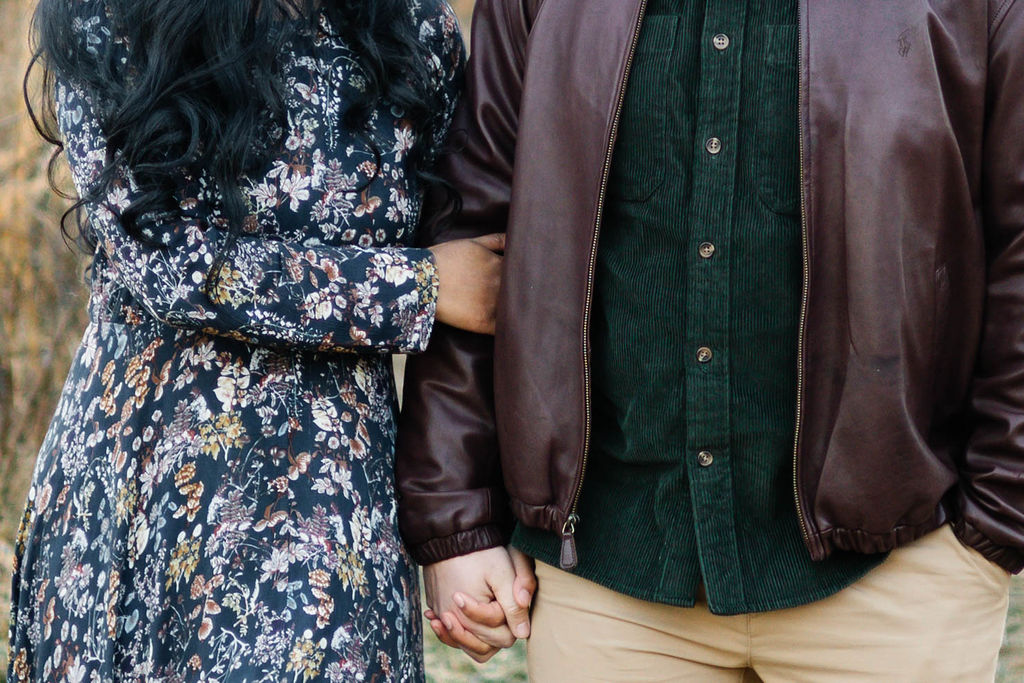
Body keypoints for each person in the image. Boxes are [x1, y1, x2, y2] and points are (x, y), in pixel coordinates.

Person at [395, 0, 1024, 680]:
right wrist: (457, 519)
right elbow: (477, 224)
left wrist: (992, 526)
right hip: (611, 586)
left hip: (899, 577)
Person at [7, 0, 504, 680]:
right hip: (146, 483)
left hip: (335, 505)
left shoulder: (409, 24)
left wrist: (458, 522)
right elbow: (166, 262)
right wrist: (414, 288)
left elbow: (470, 243)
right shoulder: (110, 14)